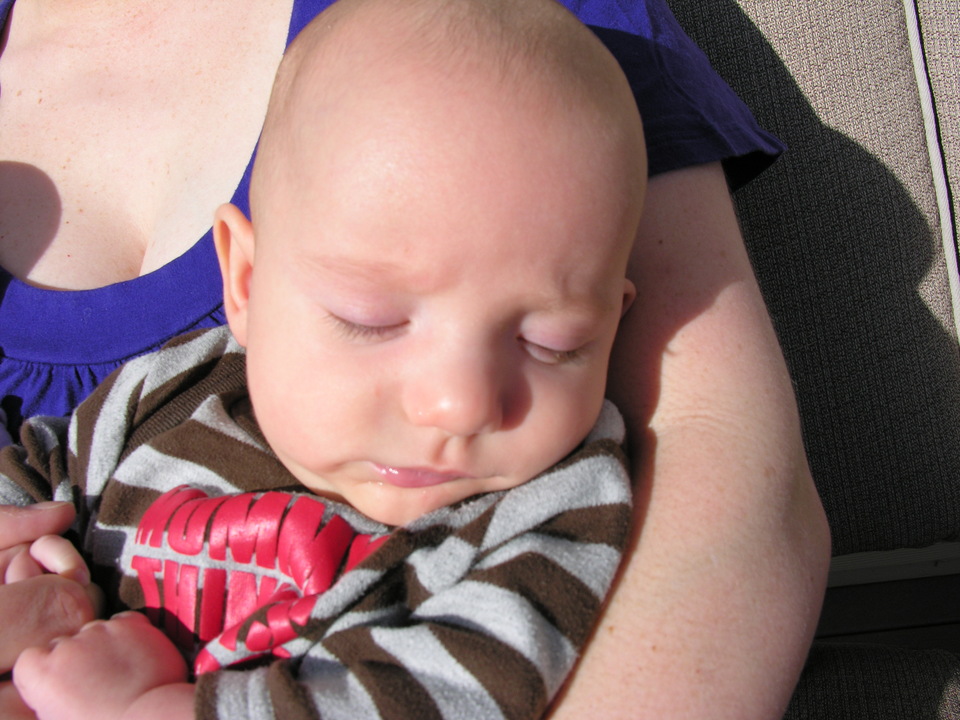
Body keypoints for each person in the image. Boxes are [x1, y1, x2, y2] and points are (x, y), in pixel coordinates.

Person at [0, 0, 831, 717]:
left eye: (552, 343)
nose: (460, 402)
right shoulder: (176, 392)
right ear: (243, 284)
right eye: (371, 320)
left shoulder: (545, 518)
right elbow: (41, 465)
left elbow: (442, 693)